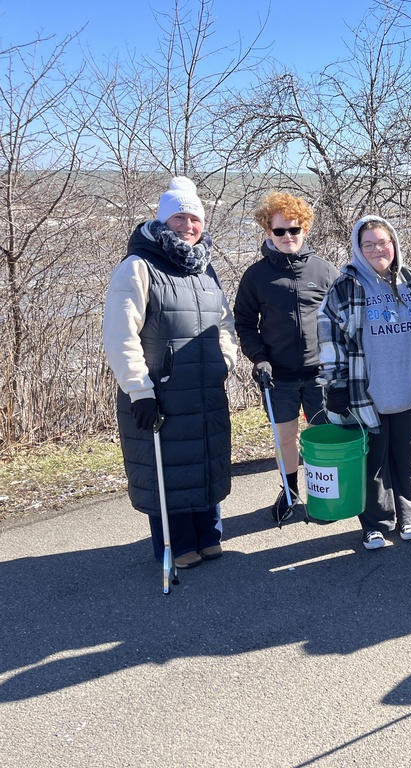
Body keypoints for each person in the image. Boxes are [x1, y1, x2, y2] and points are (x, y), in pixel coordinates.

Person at [102, 177, 238, 569]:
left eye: (194, 218)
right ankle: (176, 545)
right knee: (169, 467)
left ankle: (208, 536)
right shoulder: (138, 267)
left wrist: (223, 361)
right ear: (164, 220)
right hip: (159, 391)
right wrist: (138, 390)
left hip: (205, 387)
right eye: (179, 217)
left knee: (205, 460)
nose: (188, 226)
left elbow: (225, 324)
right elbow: (120, 333)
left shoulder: (205, 269)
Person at [318, 216, 411, 550]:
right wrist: (336, 383)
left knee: (408, 459)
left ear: (394, 243)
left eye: (382, 242)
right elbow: (329, 338)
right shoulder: (346, 286)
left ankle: (408, 517)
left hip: (408, 389)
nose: (376, 249)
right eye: (367, 244)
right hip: (364, 393)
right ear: (358, 248)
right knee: (373, 463)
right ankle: (375, 523)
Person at [234, 192, 339, 523]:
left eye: (294, 230)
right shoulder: (256, 276)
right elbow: (244, 323)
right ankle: (291, 492)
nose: (287, 237)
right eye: (279, 231)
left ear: (304, 229)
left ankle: (324, 496)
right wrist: (258, 358)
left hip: (320, 373)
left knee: (322, 438)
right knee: (285, 437)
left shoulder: (324, 272)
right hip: (277, 376)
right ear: (268, 232)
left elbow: (343, 320)